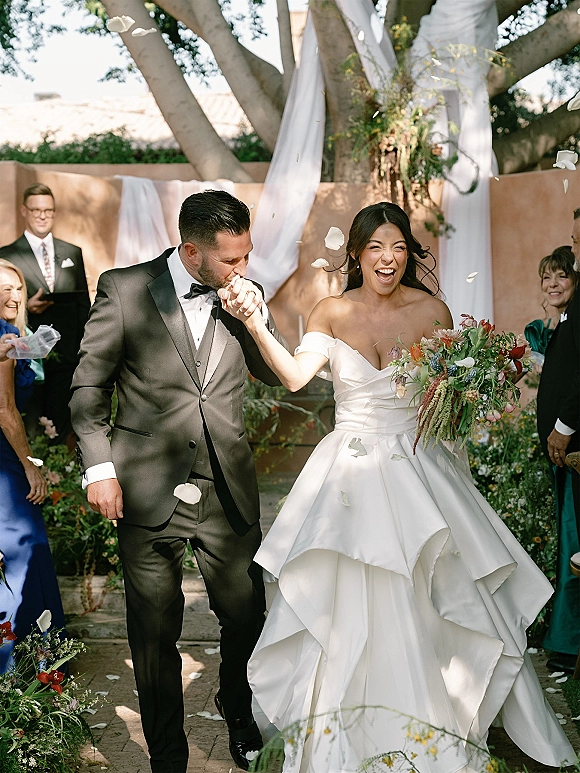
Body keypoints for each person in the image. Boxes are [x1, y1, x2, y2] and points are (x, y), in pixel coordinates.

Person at [218, 202, 575, 771]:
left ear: (409, 254)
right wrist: (256, 323)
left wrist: (469, 395)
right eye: (377, 247)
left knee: (439, 596)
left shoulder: (434, 310)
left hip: (420, 469)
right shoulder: (331, 310)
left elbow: (447, 399)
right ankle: (344, 734)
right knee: (348, 601)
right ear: (357, 254)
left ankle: (443, 723)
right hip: (350, 475)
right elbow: (292, 376)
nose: (388, 258)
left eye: (399, 247)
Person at [70, 191, 286, 773]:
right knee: (154, 628)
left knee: (245, 615)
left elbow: (273, 372)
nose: (242, 271)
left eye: (247, 258)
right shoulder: (125, 289)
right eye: (231, 261)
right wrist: (100, 468)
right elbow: (88, 388)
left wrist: (255, 318)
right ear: (191, 251)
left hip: (225, 488)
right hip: (144, 486)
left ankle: (236, 711)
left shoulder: (245, 295)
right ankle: (167, 753)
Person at [0, 259, 65, 673]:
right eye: (2, 288)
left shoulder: (14, 336)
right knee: (23, 552)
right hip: (5, 462)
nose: (12, 295)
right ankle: (24, 667)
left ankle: (27, 665)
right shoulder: (4, 336)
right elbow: (5, 411)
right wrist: (30, 466)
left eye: (17, 287)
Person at [0, 183, 91, 445]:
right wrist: (26, 307)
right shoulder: (6, 255)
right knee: (30, 425)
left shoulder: (72, 252)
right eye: (36, 210)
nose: (42, 215)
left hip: (68, 354)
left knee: (63, 426)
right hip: (26, 356)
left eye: (48, 210)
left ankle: (62, 481)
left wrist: (83, 349)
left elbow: (83, 305)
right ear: (24, 211)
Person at [525, 246, 580, 674]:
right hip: (562, 455)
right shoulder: (558, 325)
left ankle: (568, 643)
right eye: (547, 278)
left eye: (561, 275)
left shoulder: (575, 319)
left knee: (574, 541)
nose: (553, 284)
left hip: (575, 450)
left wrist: (562, 428)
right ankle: (565, 640)